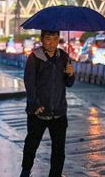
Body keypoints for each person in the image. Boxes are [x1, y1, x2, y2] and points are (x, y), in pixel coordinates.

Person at [20, 30, 75, 177]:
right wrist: (35, 104)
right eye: (48, 39)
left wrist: (70, 74)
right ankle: (25, 171)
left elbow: (69, 83)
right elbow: (29, 83)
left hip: (59, 112)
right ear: (42, 40)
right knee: (31, 145)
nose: (52, 43)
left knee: (58, 150)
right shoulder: (34, 58)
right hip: (38, 112)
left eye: (56, 39)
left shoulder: (63, 56)